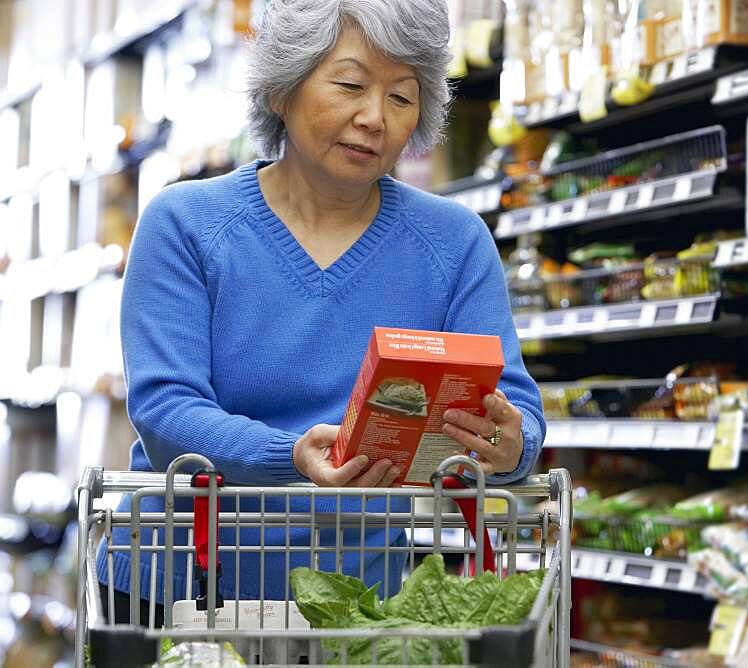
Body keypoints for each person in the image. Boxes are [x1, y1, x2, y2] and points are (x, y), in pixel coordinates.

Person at [96, 0, 545, 623]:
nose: (374, 119)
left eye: (402, 96)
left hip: (359, 598)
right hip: (180, 587)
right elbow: (165, 408)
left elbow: (517, 409)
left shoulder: (455, 242)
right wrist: (293, 458)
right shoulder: (186, 225)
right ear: (283, 88)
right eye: (351, 84)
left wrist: (507, 443)